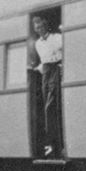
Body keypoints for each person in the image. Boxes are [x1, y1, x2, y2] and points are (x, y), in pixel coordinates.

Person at [31, 15, 63, 158]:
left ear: (45, 25)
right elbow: (44, 61)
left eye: (41, 26)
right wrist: (37, 68)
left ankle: (55, 144)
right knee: (46, 107)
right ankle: (51, 144)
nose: (39, 30)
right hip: (46, 72)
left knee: (51, 106)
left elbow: (62, 53)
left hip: (56, 69)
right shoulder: (37, 43)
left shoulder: (57, 37)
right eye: (37, 28)